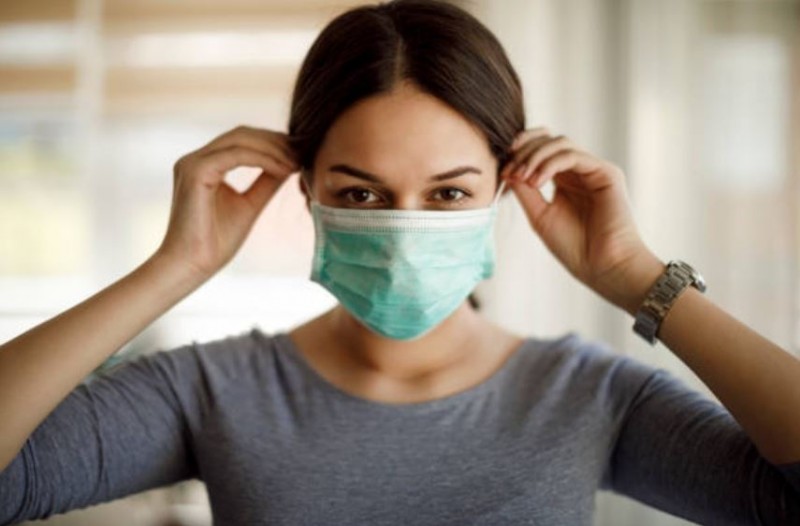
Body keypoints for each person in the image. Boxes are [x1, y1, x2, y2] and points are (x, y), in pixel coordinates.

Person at [1, 0, 799, 524]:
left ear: (504, 190)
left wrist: (634, 274)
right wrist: (174, 267)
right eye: (362, 195)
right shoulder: (211, 389)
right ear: (307, 189)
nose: (406, 228)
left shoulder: (591, 395)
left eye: (448, 195)